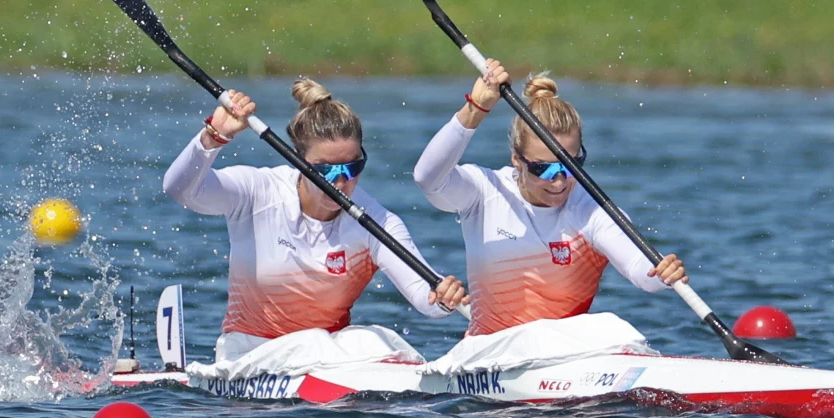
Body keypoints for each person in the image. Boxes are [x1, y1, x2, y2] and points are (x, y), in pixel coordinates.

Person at [164, 78, 468, 360]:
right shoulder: (257, 193)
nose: (340, 183)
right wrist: (212, 138)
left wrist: (443, 298)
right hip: (251, 353)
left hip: (324, 357)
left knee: (378, 341)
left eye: (351, 168)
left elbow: (424, 295)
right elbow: (180, 190)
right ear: (298, 159)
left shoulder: (378, 223)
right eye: (325, 170)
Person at [412, 60, 687, 337]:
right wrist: (475, 110)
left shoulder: (591, 209)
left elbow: (639, 269)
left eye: (571, 165)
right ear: (517, 160)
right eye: (544, 168)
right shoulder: (485, 191)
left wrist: (661, 272)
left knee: (614, 329)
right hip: (489, 354)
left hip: (562, 357)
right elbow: (428, 178)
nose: (559, 180)